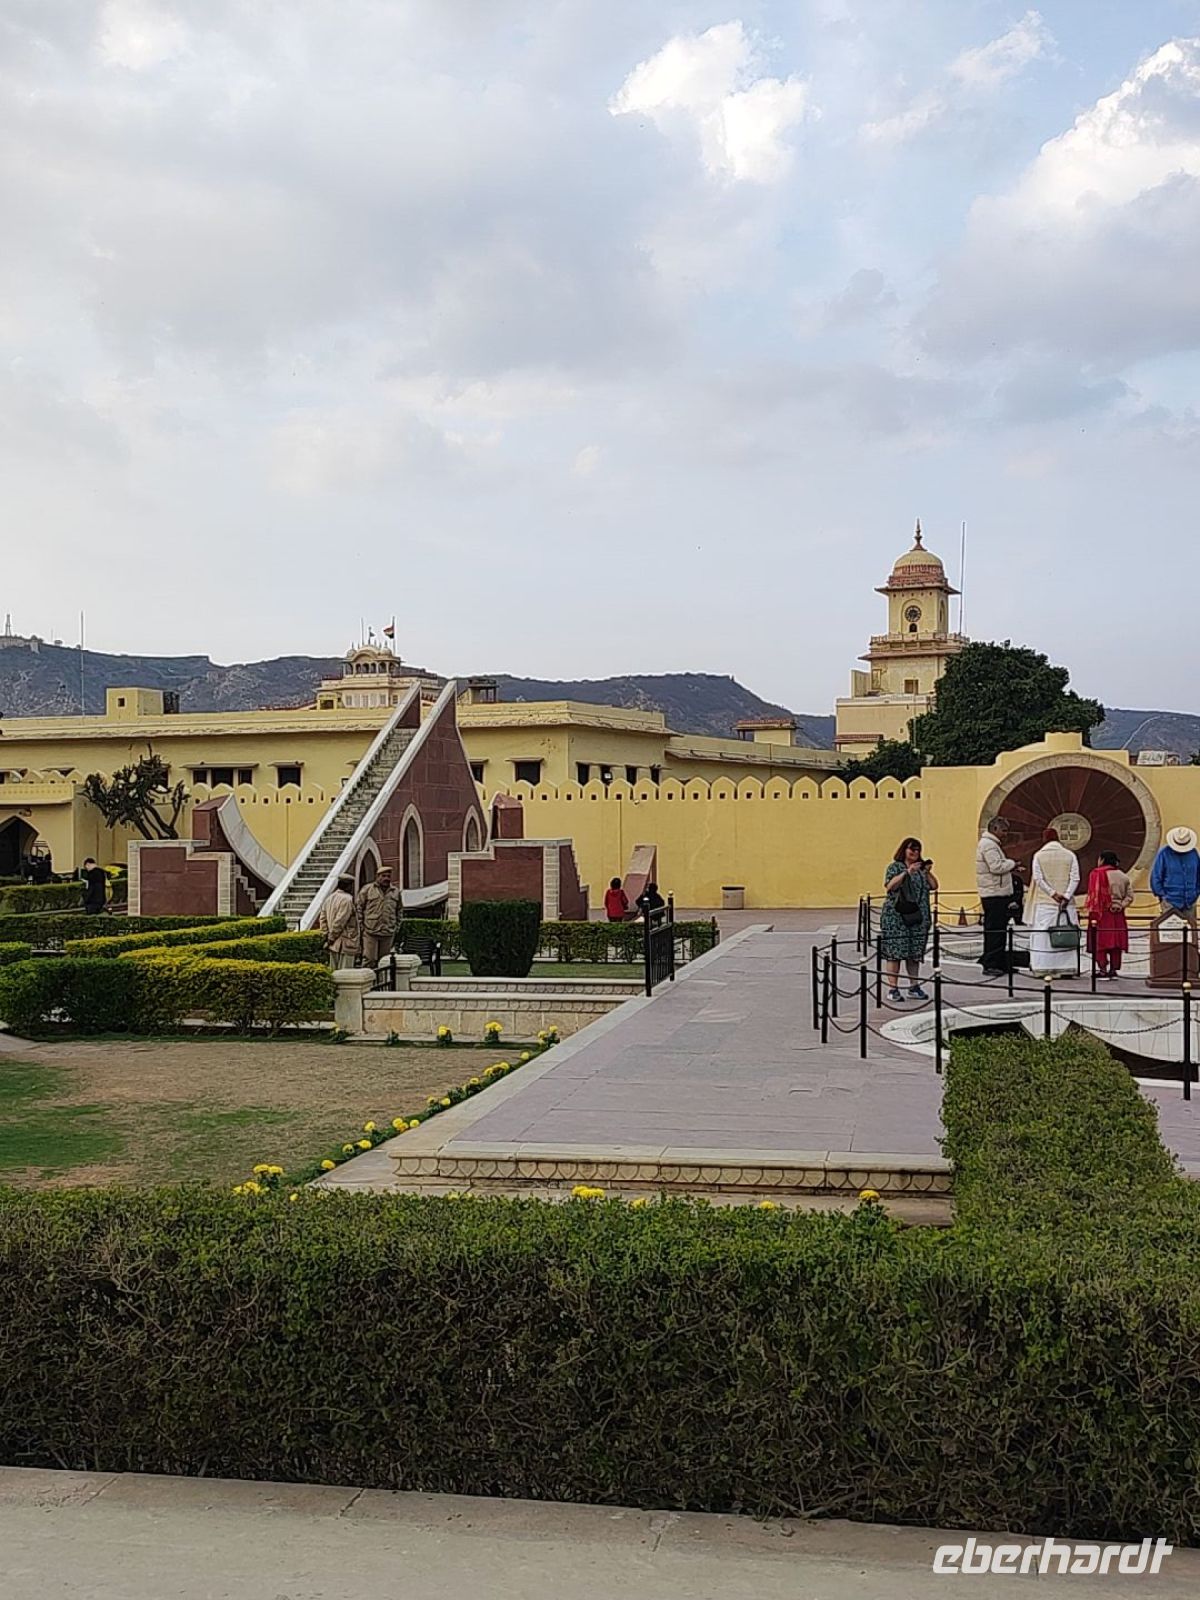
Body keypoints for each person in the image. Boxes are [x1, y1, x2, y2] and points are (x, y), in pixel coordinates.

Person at [880, 837, 935, 1003]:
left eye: (918, 850)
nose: (915, 853)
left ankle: (914, 985)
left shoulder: (920, 870)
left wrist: (927, 871)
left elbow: (934, 886)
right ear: (904, 850)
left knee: (914, 953)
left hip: (918, 917)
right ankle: (893, 988)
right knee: (895, 953)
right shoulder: (895, 867)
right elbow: (890, 886)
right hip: (896, 917)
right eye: (912, 849)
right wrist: (906, 872)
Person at [1027, 828, 1080, 977]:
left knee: (1043, 936)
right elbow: (1075, 878)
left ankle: (1043, 968)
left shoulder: (1039, 856)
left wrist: (1053, 894)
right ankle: (1067, 968)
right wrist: (1067, 896)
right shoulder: (1070, 855)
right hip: (1067, 904)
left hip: (1045, 903)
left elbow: (1038, 879)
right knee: (1066, 933)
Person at [975, 816, 1020, 976]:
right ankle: (991, 964)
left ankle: (999, 962)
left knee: (999, 930)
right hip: (994, 894)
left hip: (996, 892)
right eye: (1004, 830)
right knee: (995, 931)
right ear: (995, 829)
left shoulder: (991, 844)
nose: (1006, 834)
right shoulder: (989, 845)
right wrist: (1012, 863)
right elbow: (996, 867)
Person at [1086, 850, 1133, 980]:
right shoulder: (1123, 876)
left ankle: (1102, 969)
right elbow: (1130, 896)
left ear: (1102, 860)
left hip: (1100, 913)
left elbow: (1094, 896)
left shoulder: (1096, 874)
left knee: (1099, 942)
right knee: (1116, 943)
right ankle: (1113, 969)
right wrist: (1120, 905)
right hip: (1117, 913)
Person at [355, 866, 401, 967]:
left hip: (388, 932)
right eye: (383, 876)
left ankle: (383, 981)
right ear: (377, 877)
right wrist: (361, 925)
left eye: (388, 876)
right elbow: (359, 908)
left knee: (384, 962)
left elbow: (399, 910)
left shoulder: (395, 891)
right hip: (370, 931)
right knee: (369, 959)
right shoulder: (367, 890)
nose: (386, 878)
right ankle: (368, 982)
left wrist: (396, 926)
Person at [1149, 826, 1200, 916]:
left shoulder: (1194, 854)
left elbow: (1198, 874)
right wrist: (1162, 896)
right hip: (1169, 901)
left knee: (1190, 928)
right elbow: (1156, 877)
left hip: (1190, 901)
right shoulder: (1164, 853)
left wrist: (1196, 892)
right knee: (1170, 929)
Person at [318, 875, 358, 969]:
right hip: (344, 942)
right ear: (348, 886)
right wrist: (332, 937)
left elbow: (322, 919)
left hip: (333, 944)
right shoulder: (347, 900)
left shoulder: (329, 898)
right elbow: (340, 921)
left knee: (334, 970)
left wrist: (326, 935)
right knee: (345, 974)